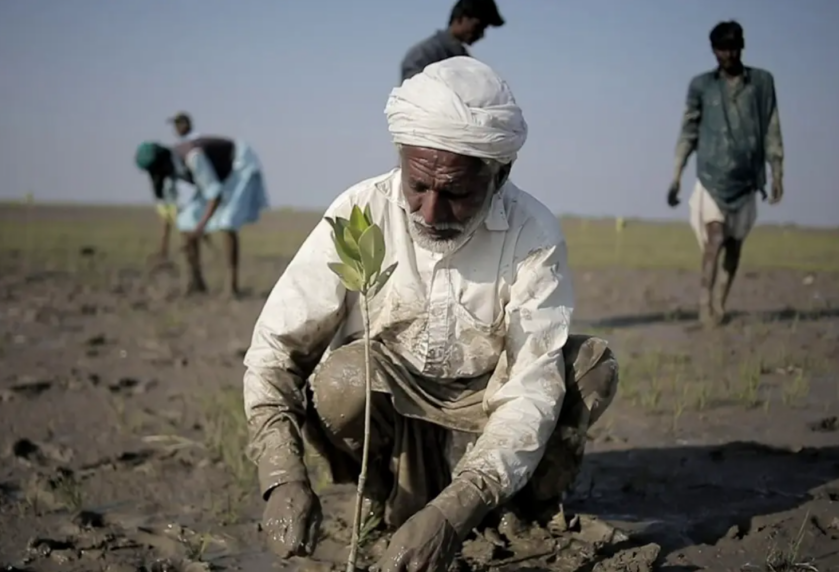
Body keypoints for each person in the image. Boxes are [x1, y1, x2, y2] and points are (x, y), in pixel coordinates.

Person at [243, 57, 620, 572]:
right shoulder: (360, 212)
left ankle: (524, 507)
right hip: (392, 402)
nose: (429, 213)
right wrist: (282, 476)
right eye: (417, 185)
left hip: (485, 401)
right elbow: (275, 351)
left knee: (587, 366)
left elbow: (530, 389)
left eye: (456, 194)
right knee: (343, 379)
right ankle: (377, 492)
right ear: (401, 157)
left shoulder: (533, 236)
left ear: (500, 172)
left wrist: (455, 511)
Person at [667, 20, 785, 328]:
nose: (728, 55)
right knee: (714, 238)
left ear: (741, 47)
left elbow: (772, 127)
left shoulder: (761, 83)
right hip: (712, 178)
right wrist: (677, 175)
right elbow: (688, 131)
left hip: (746, 180)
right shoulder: (702, 86)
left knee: (734, 246)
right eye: (722, 49)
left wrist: (777, 172)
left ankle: (721, 298)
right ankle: (705, 304)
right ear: (714, 51)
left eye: (733, 48)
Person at [134, 134, 269, 296]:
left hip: (238, 166)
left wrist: (199, 229)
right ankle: (196, 283)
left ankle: (231, 287)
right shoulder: (167, 171)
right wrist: (164, 248)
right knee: (185, 221)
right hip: (218, 177)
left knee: (227, 221)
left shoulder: (193, 158)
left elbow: (214, 195)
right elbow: (168, 212)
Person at [399, 0, 505, 84]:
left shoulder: (466, 61)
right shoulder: (424, 53)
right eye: (478, 26)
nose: (481, 34)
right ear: (460, 19)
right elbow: (413, 94)